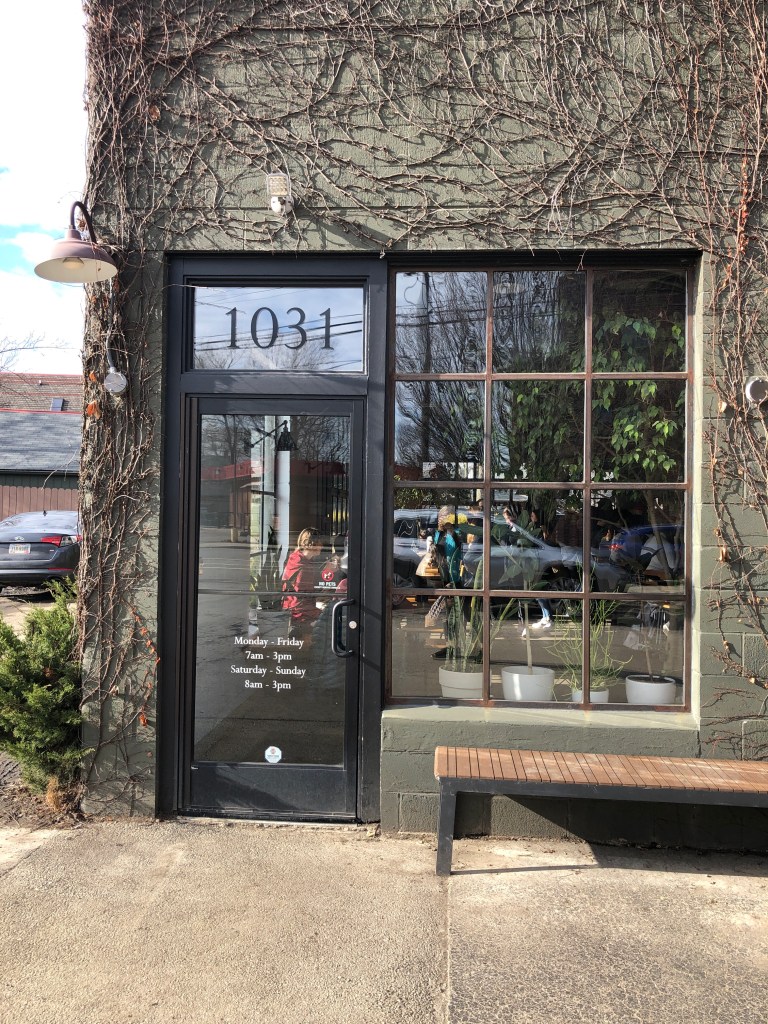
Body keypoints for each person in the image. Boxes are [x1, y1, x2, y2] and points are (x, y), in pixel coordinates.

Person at [281, 528, 325, 645]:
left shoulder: (297, 558)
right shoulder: (303, 566)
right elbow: (301, 596)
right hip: (299, 614)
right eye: (320, 543)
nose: (322, 547)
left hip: (295, 609)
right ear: (312, 544)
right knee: (330, 619)